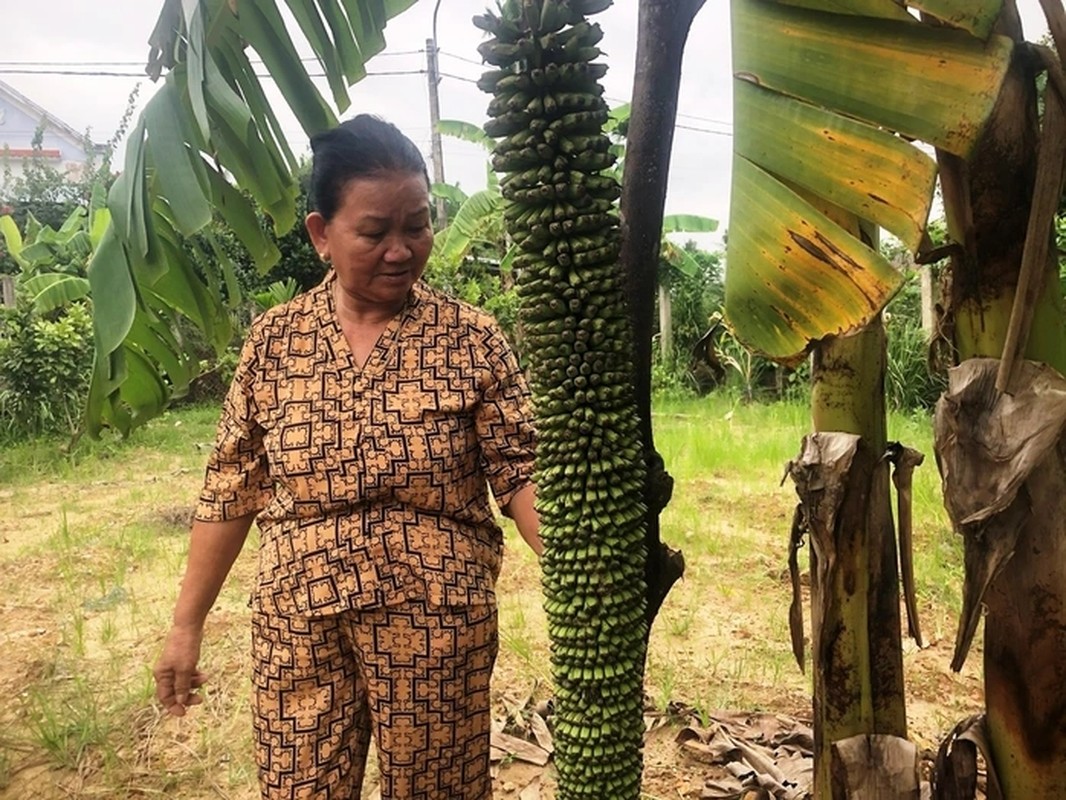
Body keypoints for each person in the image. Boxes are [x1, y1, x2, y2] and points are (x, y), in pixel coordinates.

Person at [153, 114, 542, 800]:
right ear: (320, 234)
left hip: (437, 623)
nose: (401, 249)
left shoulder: (471, 339)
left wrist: (587, 574)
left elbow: (520, 473)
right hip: (297, 621)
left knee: (437, 791)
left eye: (417, 225)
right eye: (374, 232)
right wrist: (186, 626)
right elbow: (229, 490)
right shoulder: (275, 342)